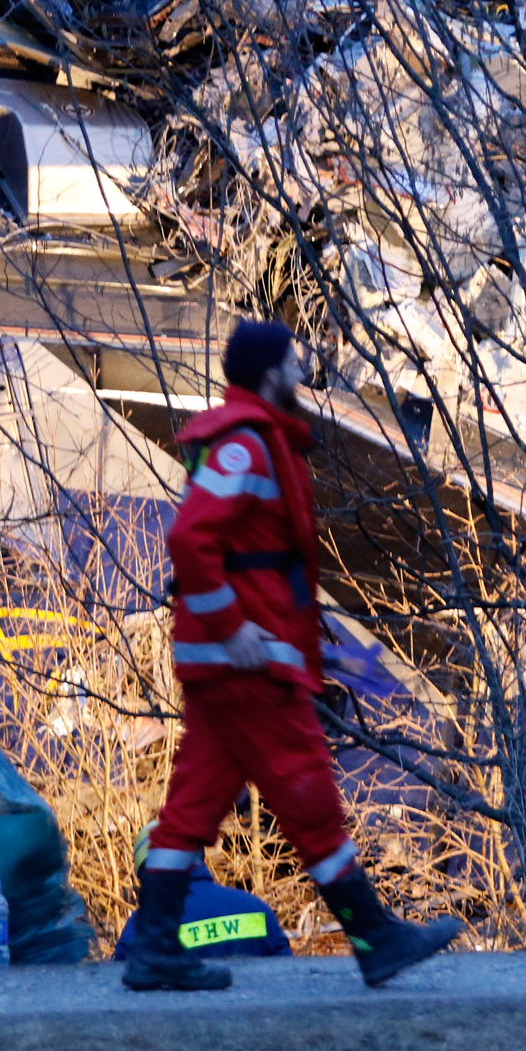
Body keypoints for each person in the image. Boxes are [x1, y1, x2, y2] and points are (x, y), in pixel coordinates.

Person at [122, 319, 462, 991]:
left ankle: (156, 947)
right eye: (292, 362)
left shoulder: (252, 443)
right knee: (309, 796)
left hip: (236, 665)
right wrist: (234, 629)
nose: (302, 373)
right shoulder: (246, 448)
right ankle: (377, 939)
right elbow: (192, 541)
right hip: (250, 666)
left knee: (193, 804)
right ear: (268, 372)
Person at [113, 822, 292, 962]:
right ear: (200, 859)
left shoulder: (141, 927)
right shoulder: (256, 909)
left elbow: (118, 994)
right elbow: (287, 979)